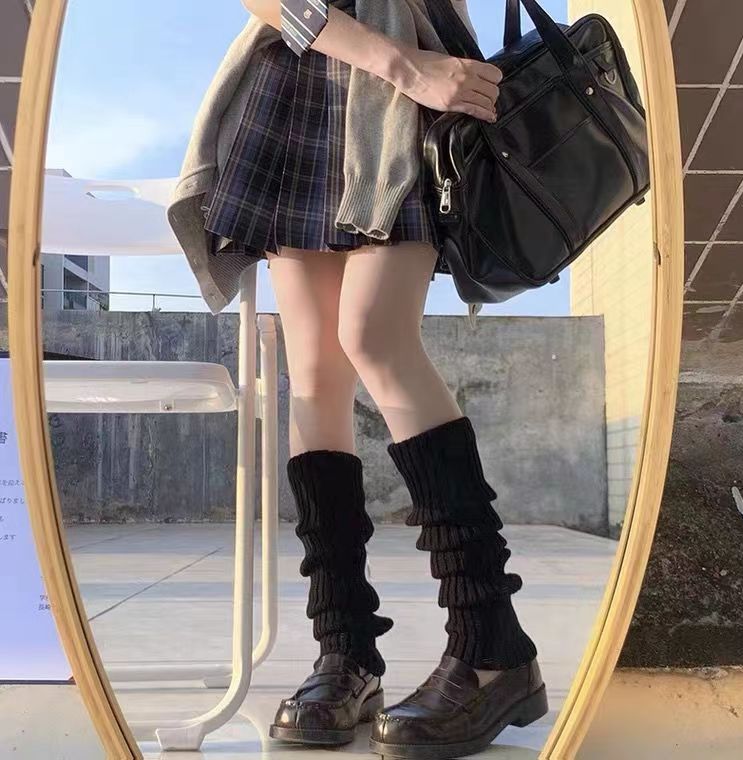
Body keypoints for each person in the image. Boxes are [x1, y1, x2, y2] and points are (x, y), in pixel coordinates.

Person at [205, 1, 548, 757]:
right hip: (306, 86)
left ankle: (491, 645)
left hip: (404, 104)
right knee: (315, 375)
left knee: (374, 337)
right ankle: (346, 652)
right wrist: (402, 63)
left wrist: (417, 68)